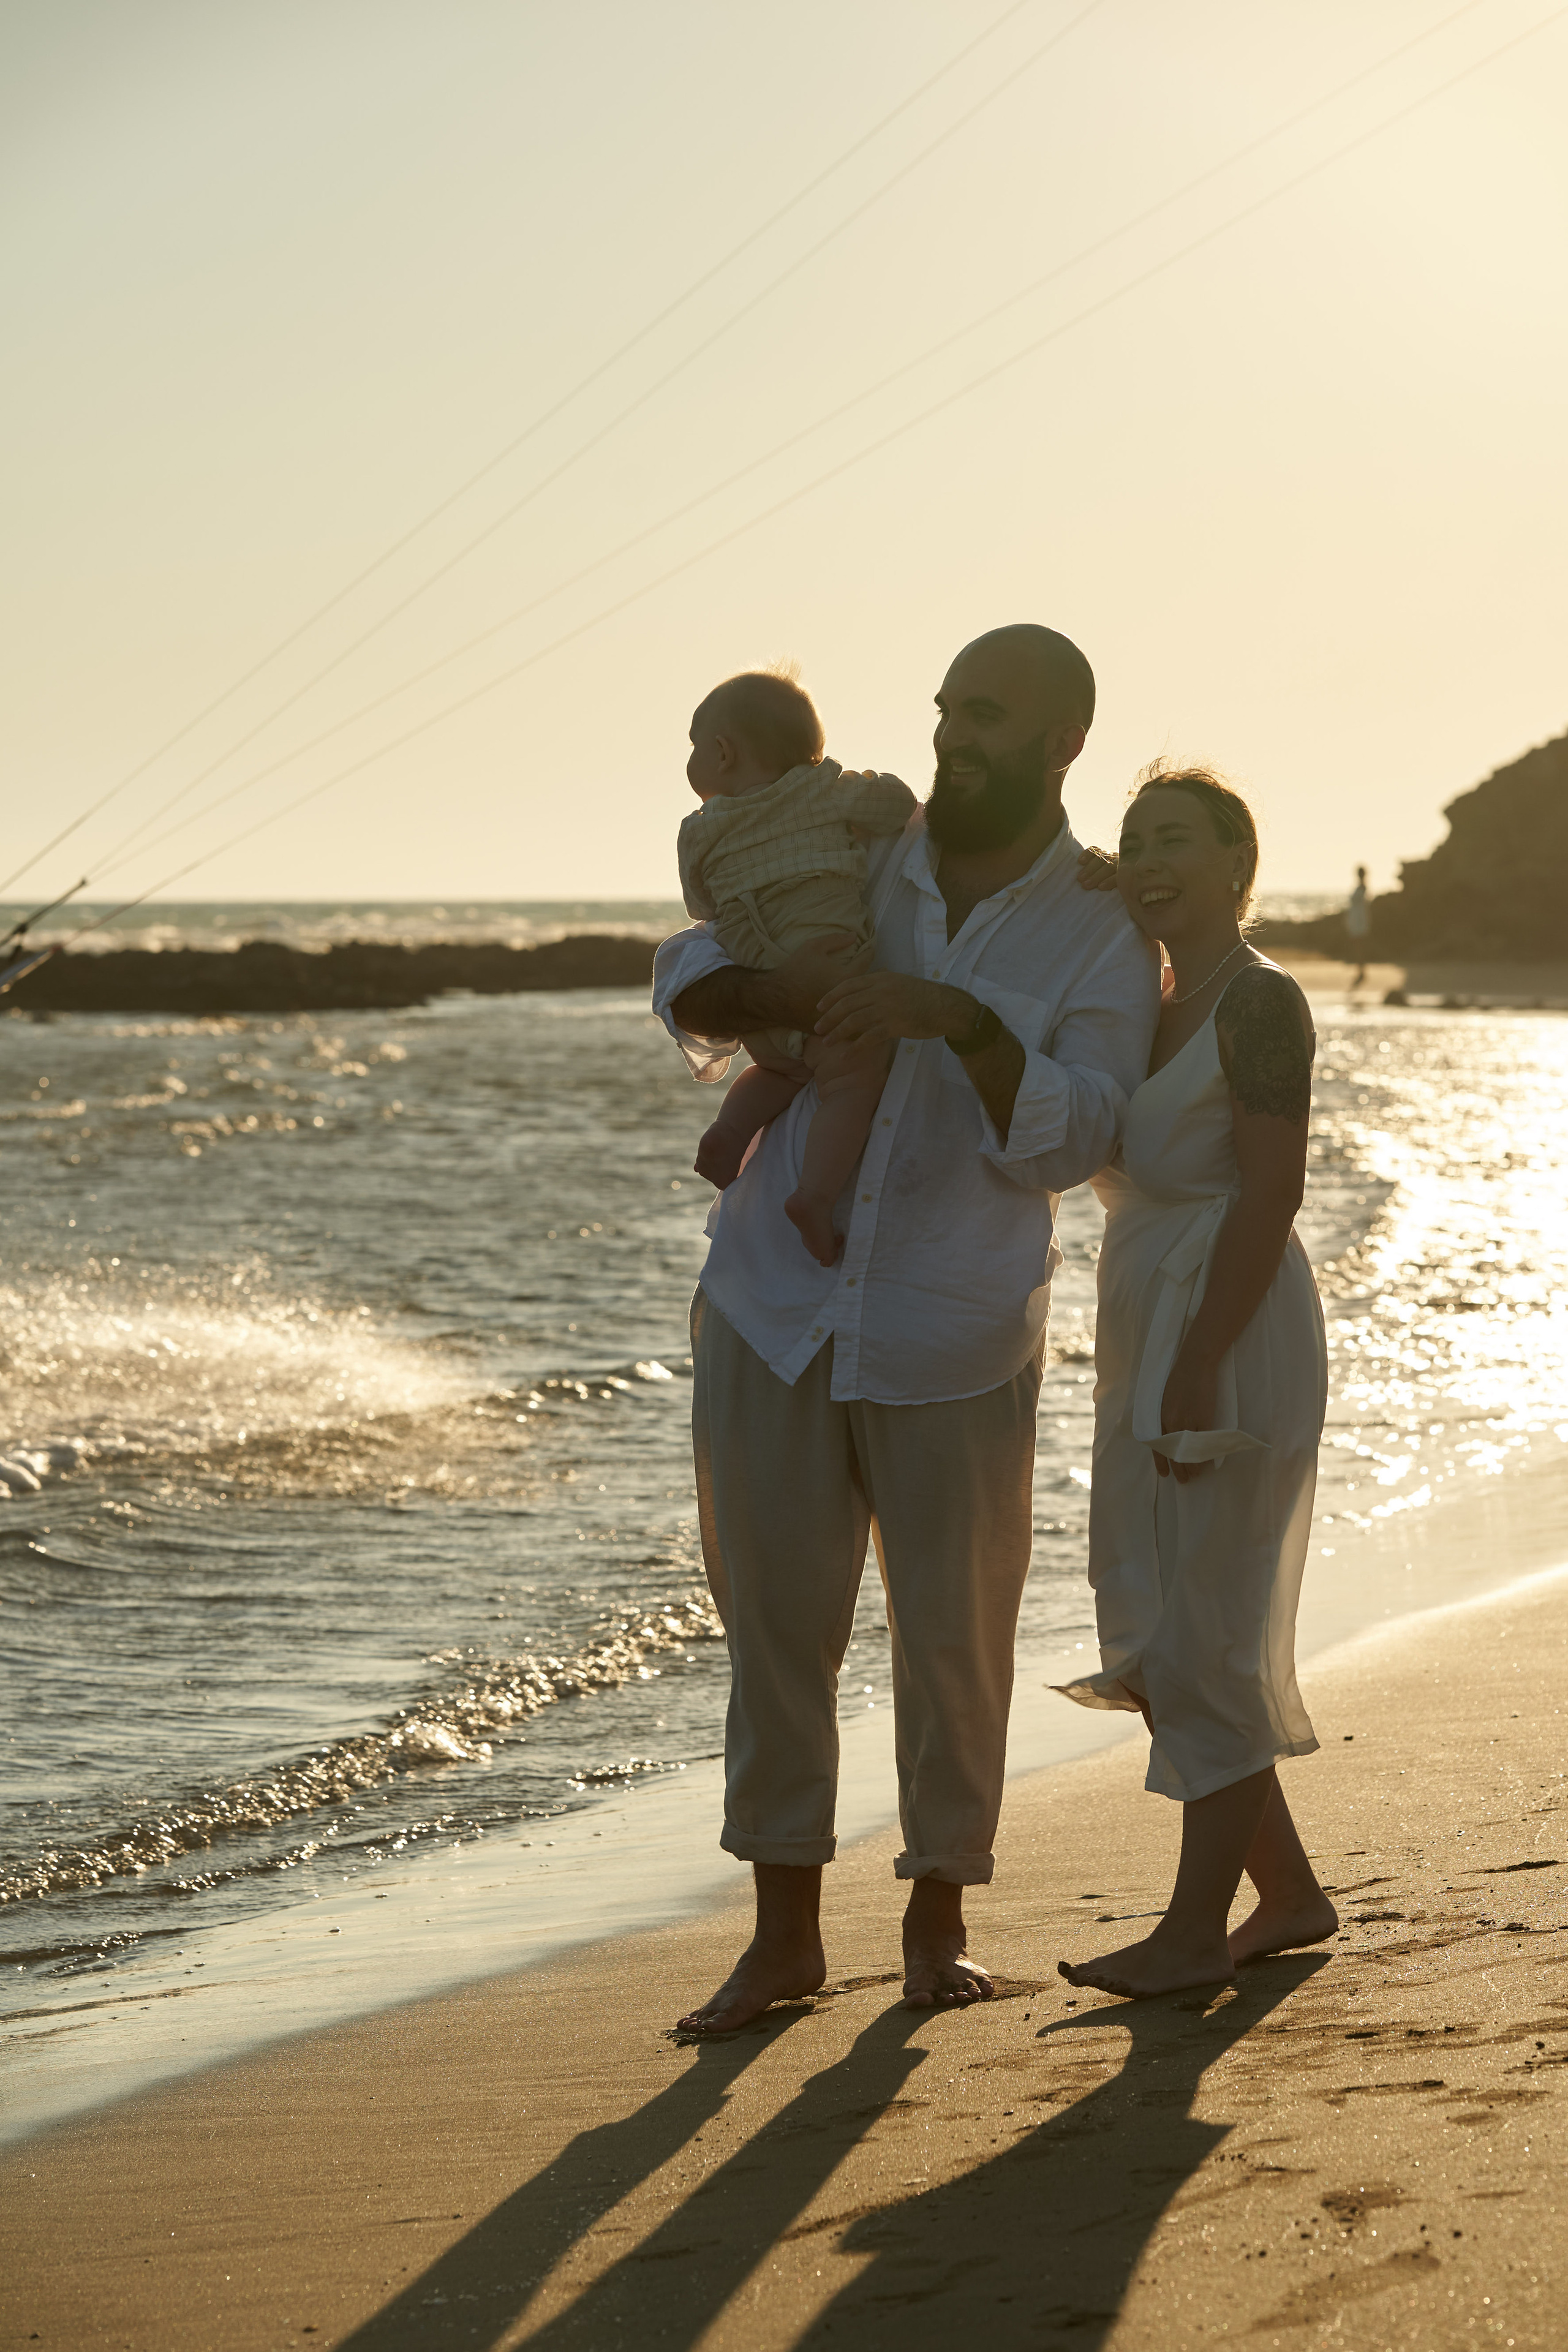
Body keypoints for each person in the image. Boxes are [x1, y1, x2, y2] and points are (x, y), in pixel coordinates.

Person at [652, 624, 1159, 2030]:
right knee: (771, 1629)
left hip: (953, 1322)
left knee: (951, 1639)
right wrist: (785, 994)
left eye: (985, 714)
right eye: (946, 707)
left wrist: (960, 1022)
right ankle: (782, 1943)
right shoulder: (857, 842)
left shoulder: (1098, 930)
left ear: (1061, 740)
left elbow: (1077, 1137)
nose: (952, 733)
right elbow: (691, 961)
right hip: (771, 1300)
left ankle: (937, 1921)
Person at [1055, 761, 1336, 1999]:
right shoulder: (1143, 999)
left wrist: (1200, 1358)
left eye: (1176, 838)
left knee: (1202, 1625)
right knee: (1158, 1613)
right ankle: (1288, 1895)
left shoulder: (1259, 1000)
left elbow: (1271, 1192)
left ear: (1238, 863)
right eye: (1134, 841)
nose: (1150, 860)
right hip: (1146, 1314)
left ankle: (1189, 1933)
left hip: (1229, 1316)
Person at [679, 669, 916, 1264]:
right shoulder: (824, 789)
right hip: (831, 987)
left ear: (722, 753)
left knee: (781, 1069)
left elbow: (700, 906)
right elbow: (897, 804)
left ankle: (729, 1133)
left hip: (759, 1001)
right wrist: (849, 781)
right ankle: (814, 1196)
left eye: (692, 746)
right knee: (853, 1080)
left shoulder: (698, 831)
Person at [1344, 864, 1371, 987]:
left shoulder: (1362, 887)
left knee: (1360, 947)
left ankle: (1362, 971)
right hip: (1356, 921)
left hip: (1359, 921)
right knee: (1358, 947)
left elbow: (1363, 905)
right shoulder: (1361, 887)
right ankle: (1360, 970)